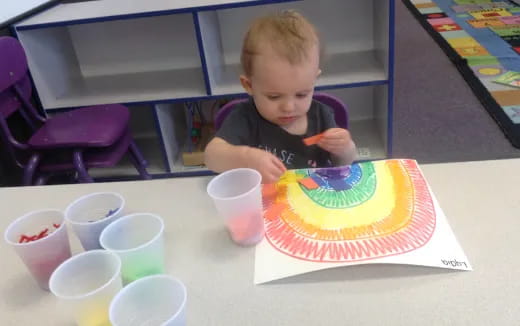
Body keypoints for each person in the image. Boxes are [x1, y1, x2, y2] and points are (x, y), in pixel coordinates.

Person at [204, 10, 357, 183]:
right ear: (249, 85)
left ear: (314, 79)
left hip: (314, 200)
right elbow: (211, 157)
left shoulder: (321, 115)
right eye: (274, 96)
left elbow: (343, 163)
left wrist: (344, 148)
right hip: (265, 203)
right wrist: (246, 158)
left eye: (301, 94)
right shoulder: (245, 117)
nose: (289, 107)